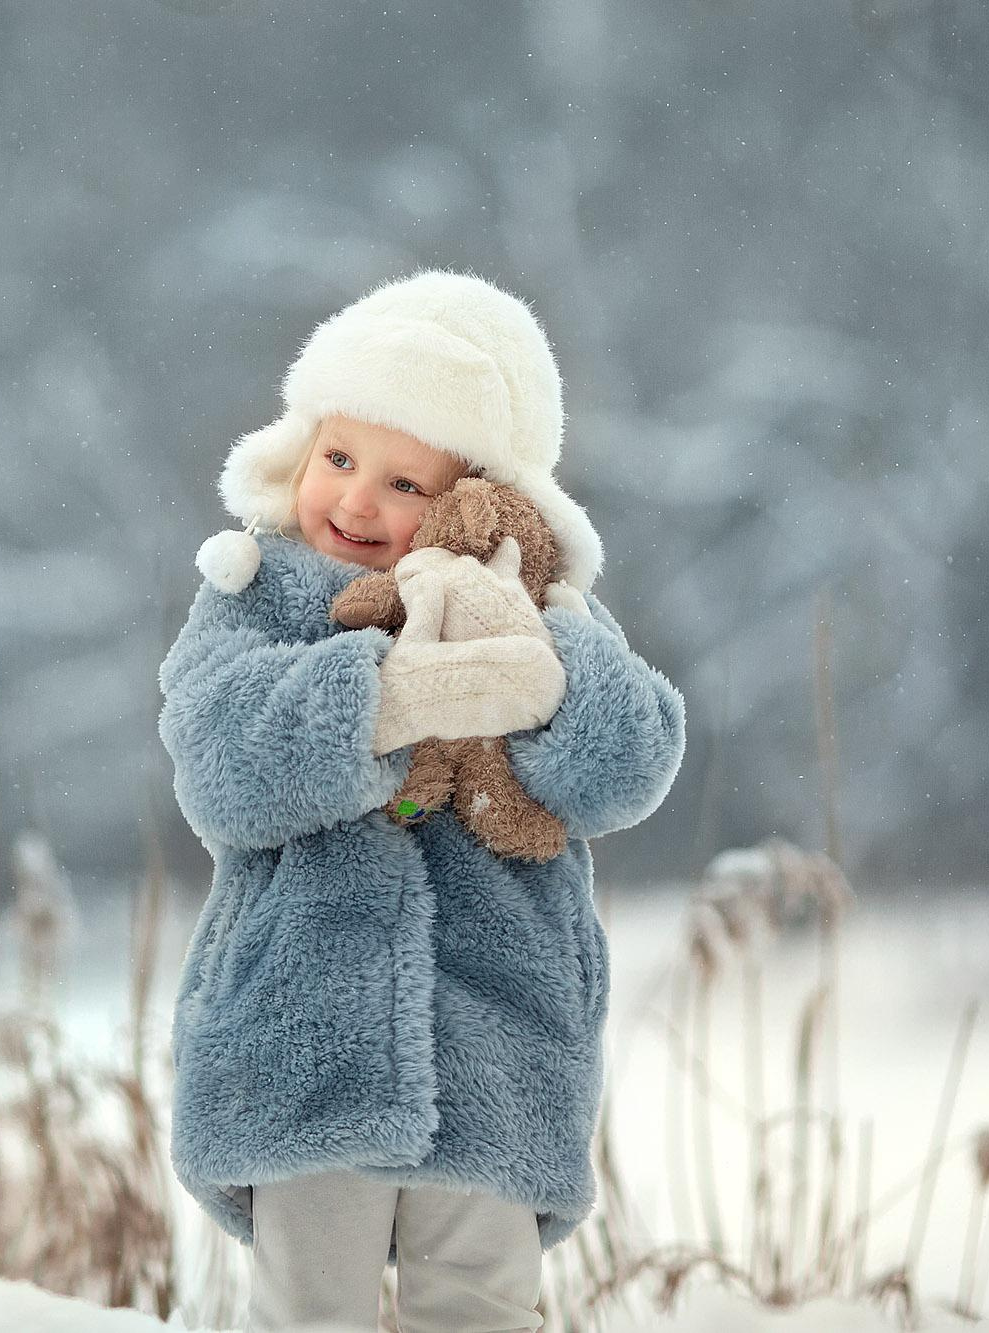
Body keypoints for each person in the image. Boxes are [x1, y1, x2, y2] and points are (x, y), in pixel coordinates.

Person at [157, 269, 687, 1333]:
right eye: (340, 458)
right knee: (310, 1308)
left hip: (499, 1034)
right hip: (298, 1031)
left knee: (479, 1308)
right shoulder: (252, 593)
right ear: (298, 446)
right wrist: (379, 699)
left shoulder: (542, 611)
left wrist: (540, 678)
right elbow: (215, 760)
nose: (354, 500)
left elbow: (627, 764)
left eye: (404, 483)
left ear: (476, 495)